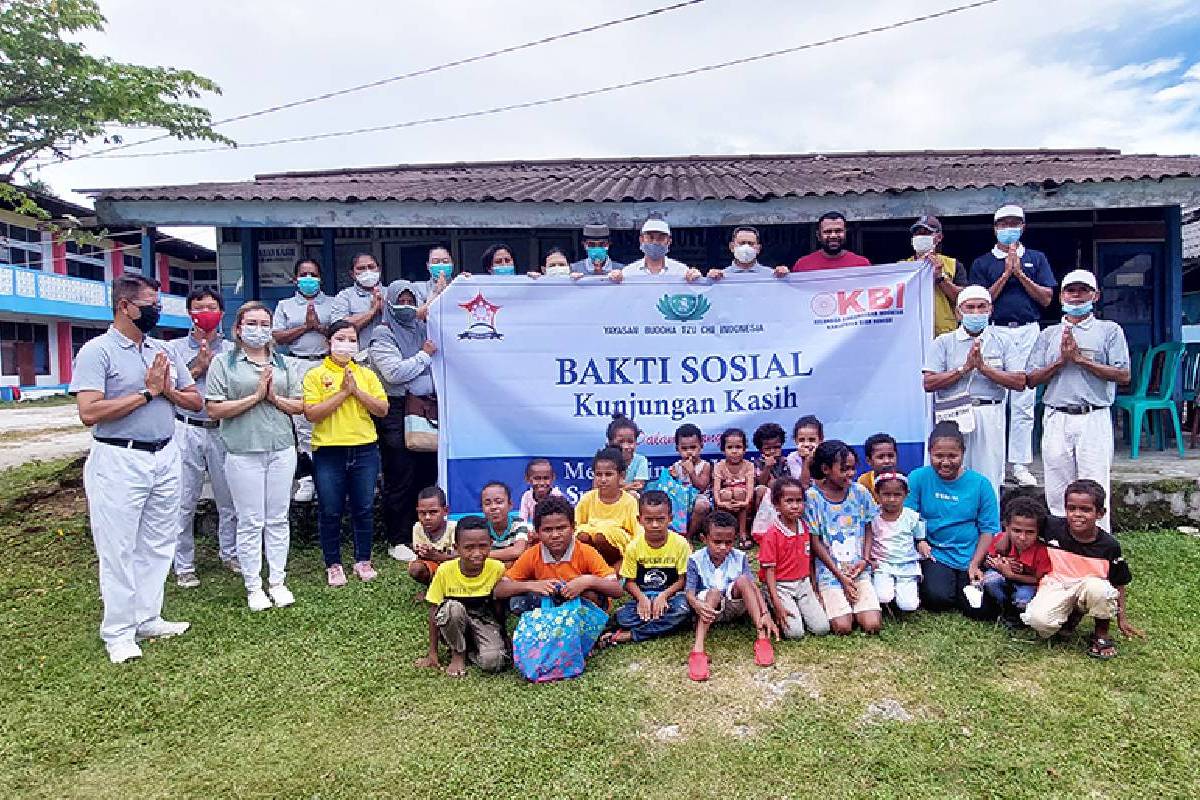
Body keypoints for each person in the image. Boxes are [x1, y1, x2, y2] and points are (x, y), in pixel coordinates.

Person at [69, 274, 201, 664]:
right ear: (125, 306)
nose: (155, 310)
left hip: (165, 452)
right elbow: (89, 412)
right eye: (148, 304)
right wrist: (147, 393)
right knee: (118, 547)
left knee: (159, 541)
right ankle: (119, 632)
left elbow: (193, 399)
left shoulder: (163, 350)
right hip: (119, 458)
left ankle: (148, 616)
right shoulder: (98, 352)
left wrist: (167, 391)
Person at [204, 302, 306, 611]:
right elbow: (214, 408)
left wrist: (273, 398)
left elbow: (299, 405)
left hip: (281, 448)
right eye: (251, 322)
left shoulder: (285, 364)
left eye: (264, 323)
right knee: (250, 520)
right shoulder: (224, 363)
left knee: (277, 518)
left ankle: (277, 580)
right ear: (238, 328)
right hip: (243, 450)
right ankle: (253, 585)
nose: (258, 328)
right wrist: (256, 397)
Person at [1025, 270, 1130, 532]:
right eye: (1071, 290)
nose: (1076, 296)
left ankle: (1099, 548)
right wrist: (1060, 361)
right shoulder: (1049, 334)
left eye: (1083, 291)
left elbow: (1123, 374)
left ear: (1095, 296)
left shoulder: (1109, 331)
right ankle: (1062, 545)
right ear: (1062, 295)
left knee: (1094, 484)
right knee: (1057, 484)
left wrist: (1081, 360)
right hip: (1057, 414)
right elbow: (1031, 378)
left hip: (1092, 415)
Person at [968, 205, 1056, 488]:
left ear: (1023, 226)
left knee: (1024, 400)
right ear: (995, 228)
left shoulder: (1036, 258)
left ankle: (1019, 463)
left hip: (1027, 331)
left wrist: (1020, 272)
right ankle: (994, 460)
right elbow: (981, 299)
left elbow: (1045, 298)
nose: (1010, 227)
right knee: (994, 396)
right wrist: (1006, 273)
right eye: (1004, 223)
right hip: (994, 330)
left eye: (1015, 223)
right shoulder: (983, 262)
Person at [303, 320, 389, 586]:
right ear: (329, 342)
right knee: (330, 510)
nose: (346, 344)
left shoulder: (366, 374)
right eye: (341, 338)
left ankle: (363, 560)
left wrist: (356, 392)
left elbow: (382, 409)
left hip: (365, 450)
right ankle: (334, 564)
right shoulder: (315, 375)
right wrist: (342, 394)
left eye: (352, 340)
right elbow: (311, 413)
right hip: (329, 451)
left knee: (363, 508)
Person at [922, 285, 1028, 499]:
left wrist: (984, 368)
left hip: (989, 413)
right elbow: (929, 382)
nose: (976, 312)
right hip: (952, 414)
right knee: (947, 472)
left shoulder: (1003, 340)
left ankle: (987, 529)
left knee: (988, 475)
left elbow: (1019, 381)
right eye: (970, 308)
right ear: (958, 312)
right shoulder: (944, 342)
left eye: (982, 307)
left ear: (990, 310)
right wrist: (964, 369)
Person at [1021, 480, 1143, 658]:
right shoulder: (1052, 527)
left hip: (1089, 586)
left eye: (1085, 510)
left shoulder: (1109, 546)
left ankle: (1101, 634)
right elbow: (1022, 525)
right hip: (1056, 584)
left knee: (1099, 589)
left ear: (1100, 513)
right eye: (1071, 508)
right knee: (1040, 623)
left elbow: (1119, 584)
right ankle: (1071, 616)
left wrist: (1121, 618)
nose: (1077, 515)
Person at [165, 288, 238, 588]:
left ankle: (230, 552)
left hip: (223, 429)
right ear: (189, 312)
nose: (206, 312)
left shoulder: (234, 349)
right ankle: (184, 564)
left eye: (211, 306)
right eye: (199, 307)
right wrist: (198, 367)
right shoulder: (172, 349)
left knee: (229, 497)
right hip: (187, 427)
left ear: (221, 312)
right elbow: (168, 388)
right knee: (184, 499)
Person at [369, 280, 439, 562]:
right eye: (402, 300)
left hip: (426, 408)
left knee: (425, 470)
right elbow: (394, 372)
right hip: (396, 409)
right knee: (400, 473)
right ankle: (397, 538)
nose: (407, 306)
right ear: (389, 302)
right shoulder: (382, 333)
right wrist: (424, 355)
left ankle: (421, 532)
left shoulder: (423, 328)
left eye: (412, 300)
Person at [905, 422, 1001, 617]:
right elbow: (908, 517)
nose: (946, 462)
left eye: (952, 456)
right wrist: (920, 541)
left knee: (978, 609)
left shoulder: (981, 484)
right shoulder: (917, 478)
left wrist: (975, 563)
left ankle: (974, 582)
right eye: (938, 456)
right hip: (935, 554)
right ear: (930, 452)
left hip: (969, 554)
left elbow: (988, 529)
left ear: (963, 453)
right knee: (937, 598)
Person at [685, 511, 779, 682]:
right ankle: (698, 650)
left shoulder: (739, 557)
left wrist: (765, 612)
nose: (723, 547)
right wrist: (697, 605)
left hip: (734, 604)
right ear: (704, 539)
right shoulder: (695, 559)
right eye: (717, 542)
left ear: (735, 539)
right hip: (709, 609)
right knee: (713, 592)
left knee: (743, 580)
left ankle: (762, 637)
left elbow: (752, 587)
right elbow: (689, 592)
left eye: (728, 542)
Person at [495, 495, 625, 617]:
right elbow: (500, 589)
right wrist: (532, 585)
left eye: (561, 528)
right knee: (516, 601)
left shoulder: (586, 552)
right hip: (548, 607)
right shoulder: (532, 554)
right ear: (537, 532)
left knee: (589, 594)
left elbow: (617, 590)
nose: (555, 535)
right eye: (548, 530)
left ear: (573, 527)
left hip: (580, 611)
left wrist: (588, 581)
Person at [272, 258, 334, 502]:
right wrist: (304, 328)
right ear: (295, 278)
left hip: (326, 363)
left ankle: (327, 476)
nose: (309, 278)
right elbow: (277, 336)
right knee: (302, 422)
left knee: (327, 418)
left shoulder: (332, 303)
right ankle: (307, 478)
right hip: (296, 362)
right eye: (304, 274)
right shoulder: (285, 305)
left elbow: (341, 331)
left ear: (320, 278)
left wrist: (318, 327)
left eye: (313, 274)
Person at [805, 441, 883, 635]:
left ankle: (855, 604)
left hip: (858, 569)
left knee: (872, 624)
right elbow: (814, 542)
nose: (850, 474)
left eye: (853, 468)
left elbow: (868, 527)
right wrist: (840, 577)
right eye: (844, 469)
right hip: (830, 572)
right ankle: (839, 602)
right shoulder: (812, 497)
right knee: (843, 627)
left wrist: (865, 560)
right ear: (825, 469)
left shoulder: (860, 492)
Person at [416, 516, 509, 677]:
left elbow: (499, 606)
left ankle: (472, 649)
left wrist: (503, 636)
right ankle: (458, 652)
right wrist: (433, 653)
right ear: (456, 548)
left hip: (484, 620)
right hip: (454, 619)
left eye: (483, 546)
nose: (477, 553)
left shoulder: (497, 568)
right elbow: (433, 611)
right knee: (453, 608)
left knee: (494, 662)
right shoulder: (445, 570)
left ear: (491, 545)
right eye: (469, 547)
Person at [605, 491, 693, 645]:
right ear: (640, 520)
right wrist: (642, 599)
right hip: (644, 597)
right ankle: (662, 624)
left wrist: (663, 596)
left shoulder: (680, 544)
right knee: (623, 617)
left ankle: (633, 634)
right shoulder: (633, 547)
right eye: (649, 520)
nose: (654, 525)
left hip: (671, 598)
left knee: (683, 609)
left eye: (660, 519)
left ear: (670, 519)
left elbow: (683, 580)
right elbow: (629, 581)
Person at [759, 477, 832, 640]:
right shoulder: (772, 534)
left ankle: (800, 610)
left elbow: (809, 560)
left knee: (822, 628)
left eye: (799, 501)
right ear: (777, 505)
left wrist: (814, 588)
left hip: (803, 584)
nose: (795, 506)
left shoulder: (805, 527)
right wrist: (777, 602)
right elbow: (769, 571)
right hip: (780, 586)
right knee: (795, 634)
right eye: (789, 501)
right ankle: (769, 601)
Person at [980, 496, 1050, 626]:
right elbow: (987, 561)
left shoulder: (1042, 551)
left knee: (1023, 598)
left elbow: (1039, 579)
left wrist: (1012, 575)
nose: (1022, 537)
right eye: (1016, 530)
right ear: (1007, 527)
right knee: (990, 580)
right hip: (1003, 580)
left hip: (1027, 585)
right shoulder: (1001, 539)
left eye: (1030, 532)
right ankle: (1002, 608)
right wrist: (998, 563)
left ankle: (1016, 614)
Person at [575, 447, 642, 567]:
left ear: (621, 476)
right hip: (590, 545)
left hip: (616, 547)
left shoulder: (629, 501)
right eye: (599, 475)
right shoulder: (587, 498)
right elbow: (575, 524)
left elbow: (637, 532)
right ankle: (591, 566)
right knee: (583, 535)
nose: (603, 480)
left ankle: (611, 566)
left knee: (601, 536)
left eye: (608, 474)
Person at [868, 472, 924, 613]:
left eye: (897, 495)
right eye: (886, 494)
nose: (892, 499)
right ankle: (888, 596)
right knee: (883, 596)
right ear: (877, 494)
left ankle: (903, 591)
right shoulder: (873, 516)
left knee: (909, 605)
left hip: (906, 564)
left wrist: (922, 543)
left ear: (906, 494)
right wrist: (869, 558)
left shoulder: (911, 516)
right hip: (882, 565)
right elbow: (867, 539)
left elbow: (919, 536)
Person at [906, 215, 968, 337]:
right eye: (917, 233)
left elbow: (962, 300)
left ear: (939, 237)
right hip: (911, 334)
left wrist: (940, 278)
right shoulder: (902, 268)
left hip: (945, 333)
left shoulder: (953, 265)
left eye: (926, 233)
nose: (920, 237)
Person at [330, 252, 385, 350]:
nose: (367, 271)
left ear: (379, 270)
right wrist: (372, 311)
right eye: (361, 268)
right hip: (358, 358)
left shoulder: (391, 293)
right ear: (352, 274)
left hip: (389, 356)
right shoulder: (344, 296)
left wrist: (385, 309)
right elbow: (339, 329)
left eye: (371, 267)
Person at [713, 428, 757, 548]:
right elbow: (716, 489)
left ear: (744, 449)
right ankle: (723, 533)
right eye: (730, 447)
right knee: (726, 493)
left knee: (739, 492)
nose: (734, 451)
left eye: (738, 447)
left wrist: (745, 502)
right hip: (725, 502)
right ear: (723, 450)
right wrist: (720, 502)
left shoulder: (749, 466)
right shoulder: (719, 466)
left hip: (744, 502)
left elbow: (750, 487)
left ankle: (742, 533)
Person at [667, 422, 712, 539]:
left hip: (698, 499)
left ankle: (688, 536)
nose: (689, 452)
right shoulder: (676, 466)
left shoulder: (705, 465)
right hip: (681, 500)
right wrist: (673, 478)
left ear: (701, 446)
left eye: (693, 447)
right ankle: (674, 534)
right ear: (677, 449)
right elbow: (672, 488)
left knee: (701, 505)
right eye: (684, 448)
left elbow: (701, 487)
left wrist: (691, 471)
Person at [613, 217, 695, 280]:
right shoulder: (628, 273)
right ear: (641, 240)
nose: (655, 242)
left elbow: (699, 292)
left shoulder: (681, 272)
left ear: (669, 241)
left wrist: (697, 279)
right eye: (650, 237)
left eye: (661, 238)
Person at [408, 486, 457, 590]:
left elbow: (461, 557)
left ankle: (450, 591)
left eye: (433, 512)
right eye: (422, 513)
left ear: (445, 511)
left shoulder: (454, 528)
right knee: (416, 568)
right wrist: (421, 552)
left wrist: (437, 556)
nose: (427, 517)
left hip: (453, 570)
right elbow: (419, 554)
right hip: (434, 567)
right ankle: (432, 588)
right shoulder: (418, 527)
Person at [792, 211, 871, 271]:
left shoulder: (862, 264)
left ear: (845, 233)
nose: (833, 236)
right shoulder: (802, 265)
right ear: (818, 235)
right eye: (828, 232)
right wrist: (781, 276)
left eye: (838, 231)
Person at [706, 226, 790, 280]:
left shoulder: (773, 276)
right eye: (742, 243)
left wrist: (786, 278)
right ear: (732, 247)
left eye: (750, 243)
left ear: (758, 248)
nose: (746, 247)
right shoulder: (719, 277)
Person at [480, 481, 531, 565]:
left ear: (510, 505)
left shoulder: (519, 524)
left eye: (499, 502)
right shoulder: (480, 527)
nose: (493, 507)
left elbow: (518, 551)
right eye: (487, 503)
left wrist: (483, 555)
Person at [607, 414, 648, 494]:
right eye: (621, 442)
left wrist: (618, 488)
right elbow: (598, 488)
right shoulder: (605, 461)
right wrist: (628, 486)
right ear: (610, 442)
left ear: (636, 442)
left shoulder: (640, 460)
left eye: (630, 442)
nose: (626, 447)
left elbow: (639, 486)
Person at [518, 458, 565, 523]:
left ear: (553, 478)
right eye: (537, 478)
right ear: (527, 479)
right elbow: (522, 519)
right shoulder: (527, 496)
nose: (542, 483)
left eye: (546, 478)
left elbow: (561, 520)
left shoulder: (557, 496)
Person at [415, 245, 454, 322]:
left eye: (445, 261)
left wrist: (465, 282)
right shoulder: (418, 288)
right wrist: (436, 293)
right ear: (428, 266)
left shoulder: (459, 286)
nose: (441, 265)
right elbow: (418, 316)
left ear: (452, 264)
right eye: (436, 262)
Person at [785, 415, 823, 488]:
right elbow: (803, 485)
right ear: (795, 440)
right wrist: (805, 461)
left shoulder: (826, 455)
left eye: (812, 440)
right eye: (801, 440)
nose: (806, 444)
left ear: (820, 440)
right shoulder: (792, 458)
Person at [857, 432, 898, 501]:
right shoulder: (864, 481)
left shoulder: (902, 480)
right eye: (880, 457)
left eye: (891, 456)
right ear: (869, 461)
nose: (887, 461)